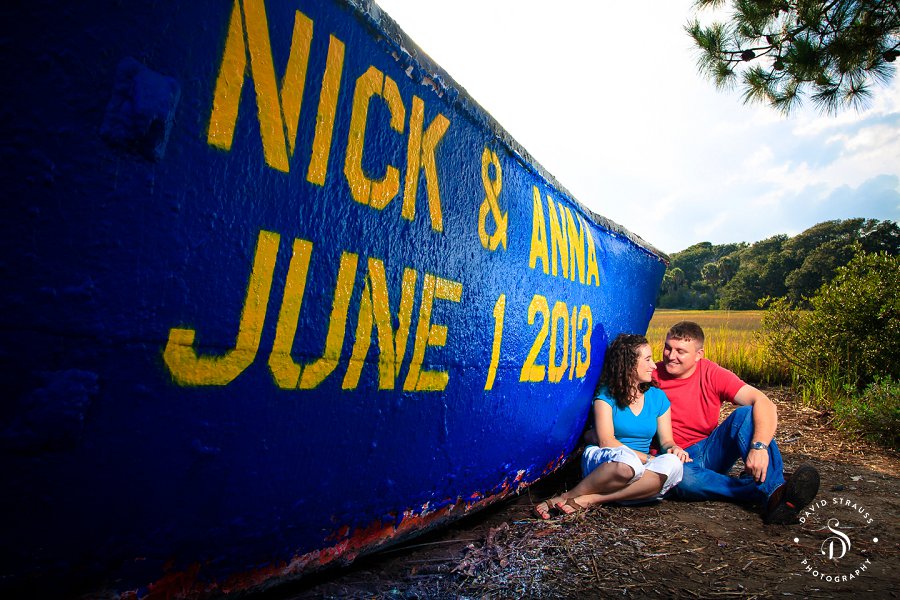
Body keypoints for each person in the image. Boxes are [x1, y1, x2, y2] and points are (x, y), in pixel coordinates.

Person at [655, 321, 819, 524]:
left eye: (680, 351)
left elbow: (764, 402)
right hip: (672, 458)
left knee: (745, 414)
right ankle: (771, 493)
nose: (671, 356)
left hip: (708, 451)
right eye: (668, 348)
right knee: (683, 479)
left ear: (699, 354)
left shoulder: (711, 373)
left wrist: (759, 447)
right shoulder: (650, 376)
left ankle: (774, 490)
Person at [535, 334, 689, 519]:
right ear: (629, 364)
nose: (654, 365)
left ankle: (593, 499)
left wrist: (673, 449)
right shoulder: (606, 395)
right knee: (628, 463)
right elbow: (606, 440)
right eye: (647, 360)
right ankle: (568, 496)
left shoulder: (658, 397)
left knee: (674, 465)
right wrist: (647, 459)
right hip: (607, 460)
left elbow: (666, 441)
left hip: (640, 466)